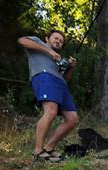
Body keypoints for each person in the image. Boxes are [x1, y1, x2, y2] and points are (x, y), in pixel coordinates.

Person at [17, 30, 79, 162]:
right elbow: (21, 40)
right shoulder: (38, 43)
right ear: (47, 39)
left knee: (72, 119)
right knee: (51, 111)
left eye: (61, 41)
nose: (58, 41)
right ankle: (38, 151)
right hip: (44, 77)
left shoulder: (59, 59)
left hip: (61, 84)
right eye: (56, 38)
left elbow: (66, 78)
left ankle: (49, 149)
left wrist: (71, 68)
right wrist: (49, 51)